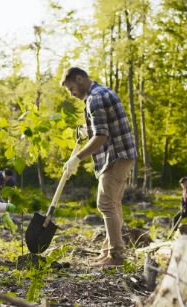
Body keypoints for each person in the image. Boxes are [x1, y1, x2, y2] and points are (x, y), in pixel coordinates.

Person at [60, 67, 137, 267]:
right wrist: (87, 130)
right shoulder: (101, 92)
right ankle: (108, 251)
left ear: (79, 78)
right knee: (113, 204)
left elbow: (101, 136)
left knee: (105, 204)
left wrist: (76, 158)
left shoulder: (95, 98)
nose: (72, 94)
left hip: (116, 155)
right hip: (122, 154)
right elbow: (105, 126)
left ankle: (116, 255)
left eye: (71, 88)